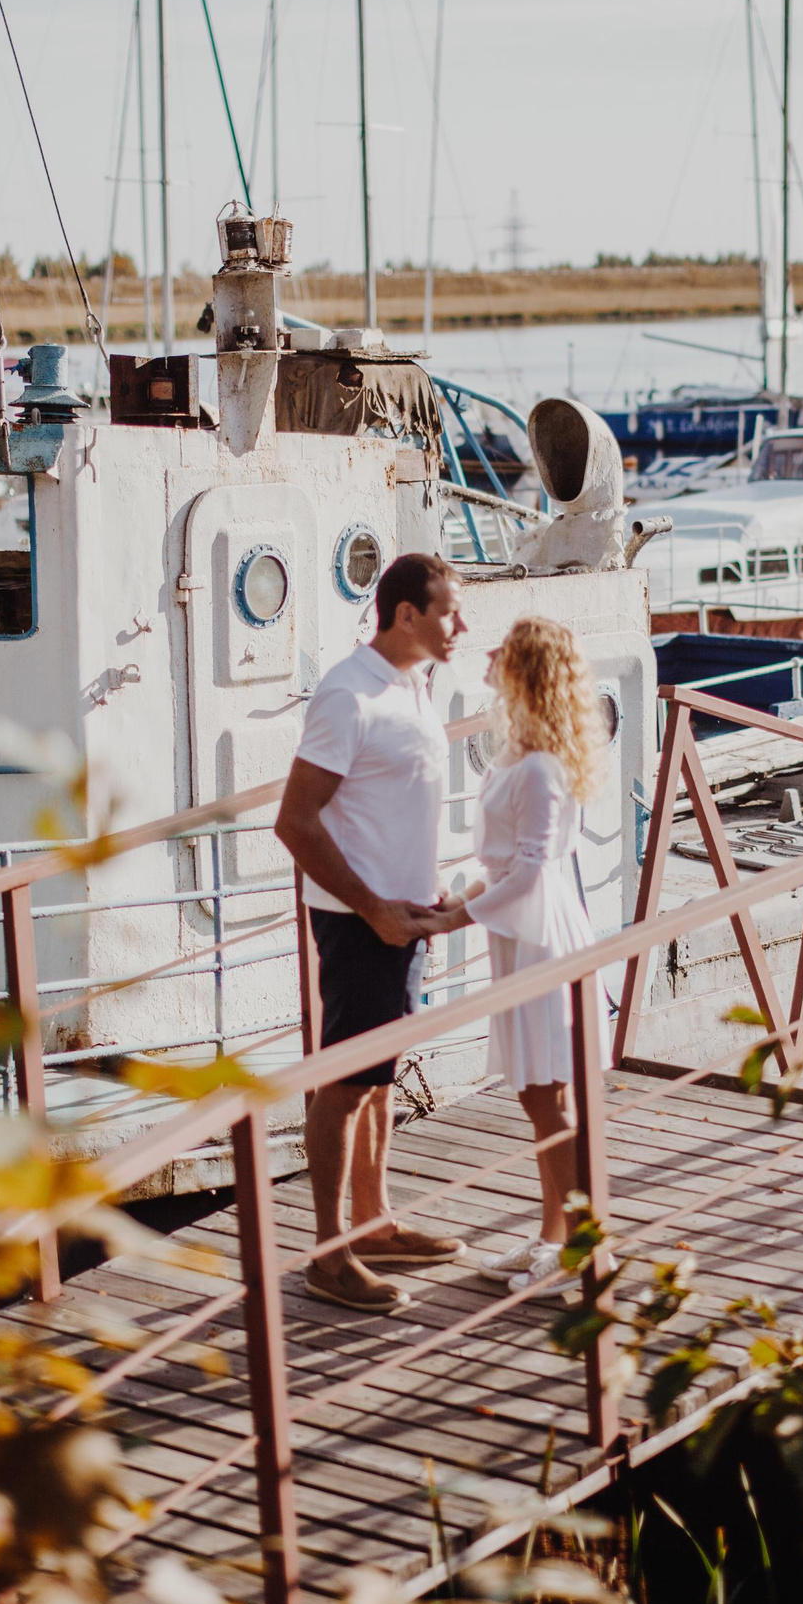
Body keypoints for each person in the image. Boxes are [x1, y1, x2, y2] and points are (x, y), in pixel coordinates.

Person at [274, 552, 470, 1313]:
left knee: (380, 1081)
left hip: (407, 913)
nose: (460, 625)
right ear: (406, 615)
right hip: (361, 922)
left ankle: (374, 1221)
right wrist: (374, 908)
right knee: (347, 1083)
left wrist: (427, 888)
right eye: (449, 611)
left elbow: (394, 802)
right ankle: (328, 1254)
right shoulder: (348, 694)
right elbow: (296, 820)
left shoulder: (414, 685)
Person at [426, 616, 602, 1292]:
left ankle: (585, 1251)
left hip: (539, 936)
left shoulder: (539, 768)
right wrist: (467, 895)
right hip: (518, 931)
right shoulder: (519, 755)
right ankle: (554, 1237)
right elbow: (507, 865)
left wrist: (454, 918)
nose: (490, 652)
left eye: (504, 649)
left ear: (526, 670)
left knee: (546, 1094)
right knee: (537, 1096)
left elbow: (530, 874)